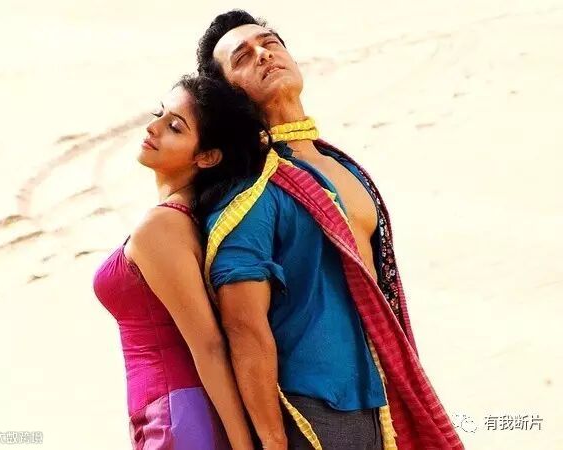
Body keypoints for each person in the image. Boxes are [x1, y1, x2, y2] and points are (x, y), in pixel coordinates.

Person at [196, 10, 464, 450]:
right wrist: (273, 440)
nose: (263, 54)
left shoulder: (340, 165)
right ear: (228, 94)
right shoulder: (249, 191)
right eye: (243, 57)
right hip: (311, 408)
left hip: (379, 396)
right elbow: (244, 327)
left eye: (270, 43)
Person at [92, 74, 270, 450]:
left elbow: (209, 346)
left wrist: (243, 445)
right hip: (171, 412)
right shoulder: (183, 221)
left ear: (207, 156)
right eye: (159, 114)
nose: (153, 128)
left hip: (175, 416)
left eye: (175, 126)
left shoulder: (162, 227)